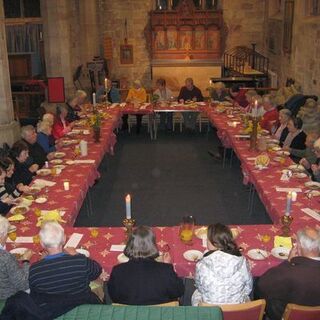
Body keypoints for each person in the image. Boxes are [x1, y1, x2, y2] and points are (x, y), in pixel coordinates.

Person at [28, 221, 102, 319]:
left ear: (42, 243)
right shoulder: (79, 260)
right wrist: (76, 254)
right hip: (83, 303)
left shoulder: (34, 270)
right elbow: (97, 271)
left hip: (52, 310)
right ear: (64, 239)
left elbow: (35, 295)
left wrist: (41, 262)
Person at [107, 225, 184, 305]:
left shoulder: (117, 270)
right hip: (161, 313)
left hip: (128, 314)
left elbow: (113, 297)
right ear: (153, 245)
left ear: (130, 244)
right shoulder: (166, 270)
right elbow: (179, 291)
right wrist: (167, 264)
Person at [255, 227, 320, 320]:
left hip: (286, 316)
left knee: (257, 283)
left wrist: (288, 262)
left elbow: (262, 284)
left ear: (298, 247)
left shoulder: (288, 272)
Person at [191, 223, 252, 306]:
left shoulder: (201, 264)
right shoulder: (242, 261)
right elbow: (248, 287)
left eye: (207, 239)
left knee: (196, 294)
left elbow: (199, 287)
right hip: (237, 308)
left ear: (214, 243)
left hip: (209, 310)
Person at [0, 215, 33, 299]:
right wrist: (26, 261)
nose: (7, 237)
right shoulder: (5, 257)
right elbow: (24, 284)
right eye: (6, 234)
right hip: (8, 296)